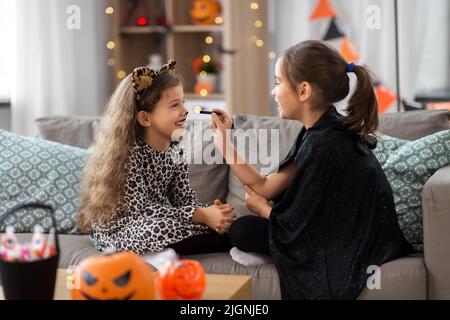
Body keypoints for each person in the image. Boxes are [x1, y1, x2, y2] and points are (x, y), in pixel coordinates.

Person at [210, 40, 413, 299]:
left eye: (277, 82)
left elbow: (302, 227)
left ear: (303, 90)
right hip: (335, 234)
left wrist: (263, 209)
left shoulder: (325, 143)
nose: (273, 92)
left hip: (347, 242)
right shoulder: (317, 132)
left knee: (242, 230)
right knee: (230, 225)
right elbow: (266, 186)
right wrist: (224, 141)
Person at [77, 59, 235, 255]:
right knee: (156, 230)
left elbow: (184, 200)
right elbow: (142, 210)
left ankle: (225, 236)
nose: (185, 111)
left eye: (183, 103)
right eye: (175, 105)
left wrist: (213, 213)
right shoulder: (128, 154)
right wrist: (201, 215)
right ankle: (224, 242)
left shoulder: (175, 149)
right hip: (123, 229)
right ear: (145, 118)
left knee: (220, 221)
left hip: (161, 216)